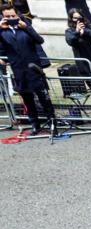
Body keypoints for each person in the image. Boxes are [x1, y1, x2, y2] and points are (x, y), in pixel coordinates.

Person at [0, 6, 55, 134]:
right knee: (28, 100)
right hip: (19, 71)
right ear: (3, 17)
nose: (11, 19)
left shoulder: (25, 27)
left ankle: (52, 122)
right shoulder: (2, 32)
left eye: (13, 16)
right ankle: (35, 124)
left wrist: (26, 27)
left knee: (44, 98)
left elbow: (39, 40)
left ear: (17, 15)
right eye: (7, 17)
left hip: (34, 69)